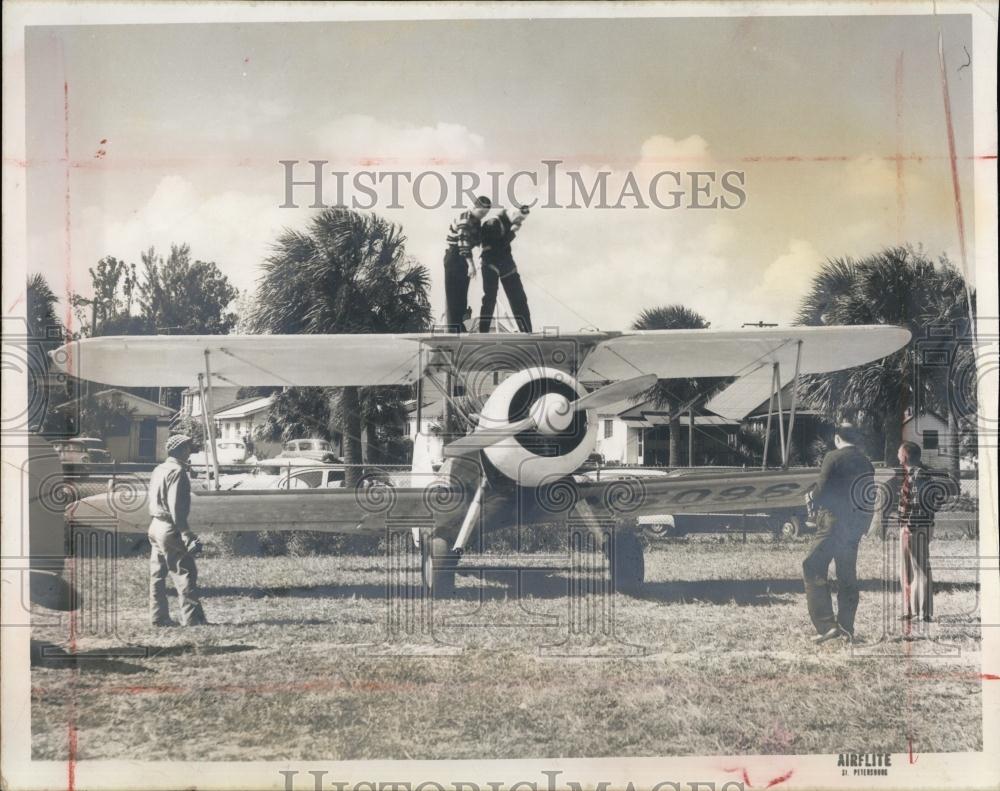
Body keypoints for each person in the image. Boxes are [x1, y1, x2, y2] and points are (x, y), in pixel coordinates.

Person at [802, 423, 875, 643]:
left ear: (836, 439)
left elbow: (822, 491)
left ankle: (826, 625)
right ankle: (846, 628)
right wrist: (863, 525)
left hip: (832, 523)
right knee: (846, 575)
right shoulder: (866, 463)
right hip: (853, 525)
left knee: (812, 565)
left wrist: (811, 496)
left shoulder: (832, 457)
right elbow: (869, 498)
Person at [148, 434, 208, 626]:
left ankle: (158, 617)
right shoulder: (178, 471)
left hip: (155, 525)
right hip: (169, 527)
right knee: (185, 573)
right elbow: (176, 508)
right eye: (188, 447)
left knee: (157, 575)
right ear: (181, 450)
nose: (190, 451)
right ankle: (193, 619)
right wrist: (186, 534)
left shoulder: (159, 469)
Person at [893, 441, 939, 625]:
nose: (897, 454)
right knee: (907, 570)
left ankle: (923, 613)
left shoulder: (919, 475)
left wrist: (909, 526)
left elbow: (921, 503)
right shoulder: (916, 474)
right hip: (913, 527)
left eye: (898, 451)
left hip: (915, 528)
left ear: (904, 456)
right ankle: (909, 611)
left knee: (920, 570)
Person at [478, 204, 533, 333]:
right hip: (490, 262)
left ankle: (527, 331)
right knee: (490, 298)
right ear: (513, 214)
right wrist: (512, 232)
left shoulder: (508, 223)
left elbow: (503, 246)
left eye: (522, 220)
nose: (520, 222)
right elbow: (496, 246)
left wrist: (511, 232)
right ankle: (483, 332)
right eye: (519, 219)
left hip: (505, 262)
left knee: (519, 298)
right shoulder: (492, 223)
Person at [443, 195, 492, 332]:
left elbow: (476, 241)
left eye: (485, 214)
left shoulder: (476, 221)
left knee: (462, 295)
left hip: (462, 258)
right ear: (474, 207)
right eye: (481, 212)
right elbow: (463, 243)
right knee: (453, 295)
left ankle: (458, 325)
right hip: (454, 257)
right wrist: (471, 265)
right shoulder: (465, 219)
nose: (482, 216)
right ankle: (453, 328)